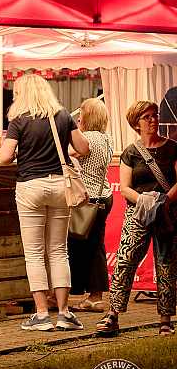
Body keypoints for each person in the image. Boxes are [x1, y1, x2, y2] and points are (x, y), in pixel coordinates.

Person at [0, 74, 90, 331]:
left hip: (30, 187)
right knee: (58, 250)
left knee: (35, 253)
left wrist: (17, 149)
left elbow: (6, 157)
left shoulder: (19, 120)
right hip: (60, 186)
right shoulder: (62, 115)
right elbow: (83, 148)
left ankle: (41, 315)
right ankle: (64, 312)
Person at [96, 101, 177, 337]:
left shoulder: (173, 148)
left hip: (167, 211)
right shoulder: (131, 152)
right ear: (136, 123)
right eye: (147, 117)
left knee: (166, 265)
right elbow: (125, 187)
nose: (153, 120)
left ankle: (165, 319)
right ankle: (113, 314)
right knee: (125, 261)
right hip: (138, 213)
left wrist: (162, 201)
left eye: (155, 115)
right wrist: (144, 201)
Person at [68, 99, 113, 313]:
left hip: (90, 199)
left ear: (89, 117)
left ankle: (93, 297)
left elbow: (68, 152)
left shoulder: (88, 138)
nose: (78, 118)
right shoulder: (105, 138)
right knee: (96, 246)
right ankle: (93, 295)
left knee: (83, 247)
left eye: (82, 114)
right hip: (104, 196)